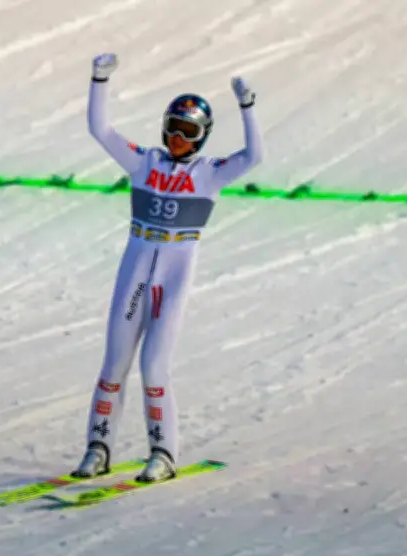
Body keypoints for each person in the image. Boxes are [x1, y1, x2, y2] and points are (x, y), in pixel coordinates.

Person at [72, 53, 263, 483]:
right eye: (173, 128)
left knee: (155, 366)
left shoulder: (209, 174)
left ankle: (163, 453)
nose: (178, 138)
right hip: (136, 273)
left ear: (202, 137)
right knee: (114, 364)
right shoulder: (145, 163)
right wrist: (99, 80)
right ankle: (98, 448)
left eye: (188, 132)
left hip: (172, 279)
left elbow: (254, 156)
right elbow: (100, 130)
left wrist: (247, 106)